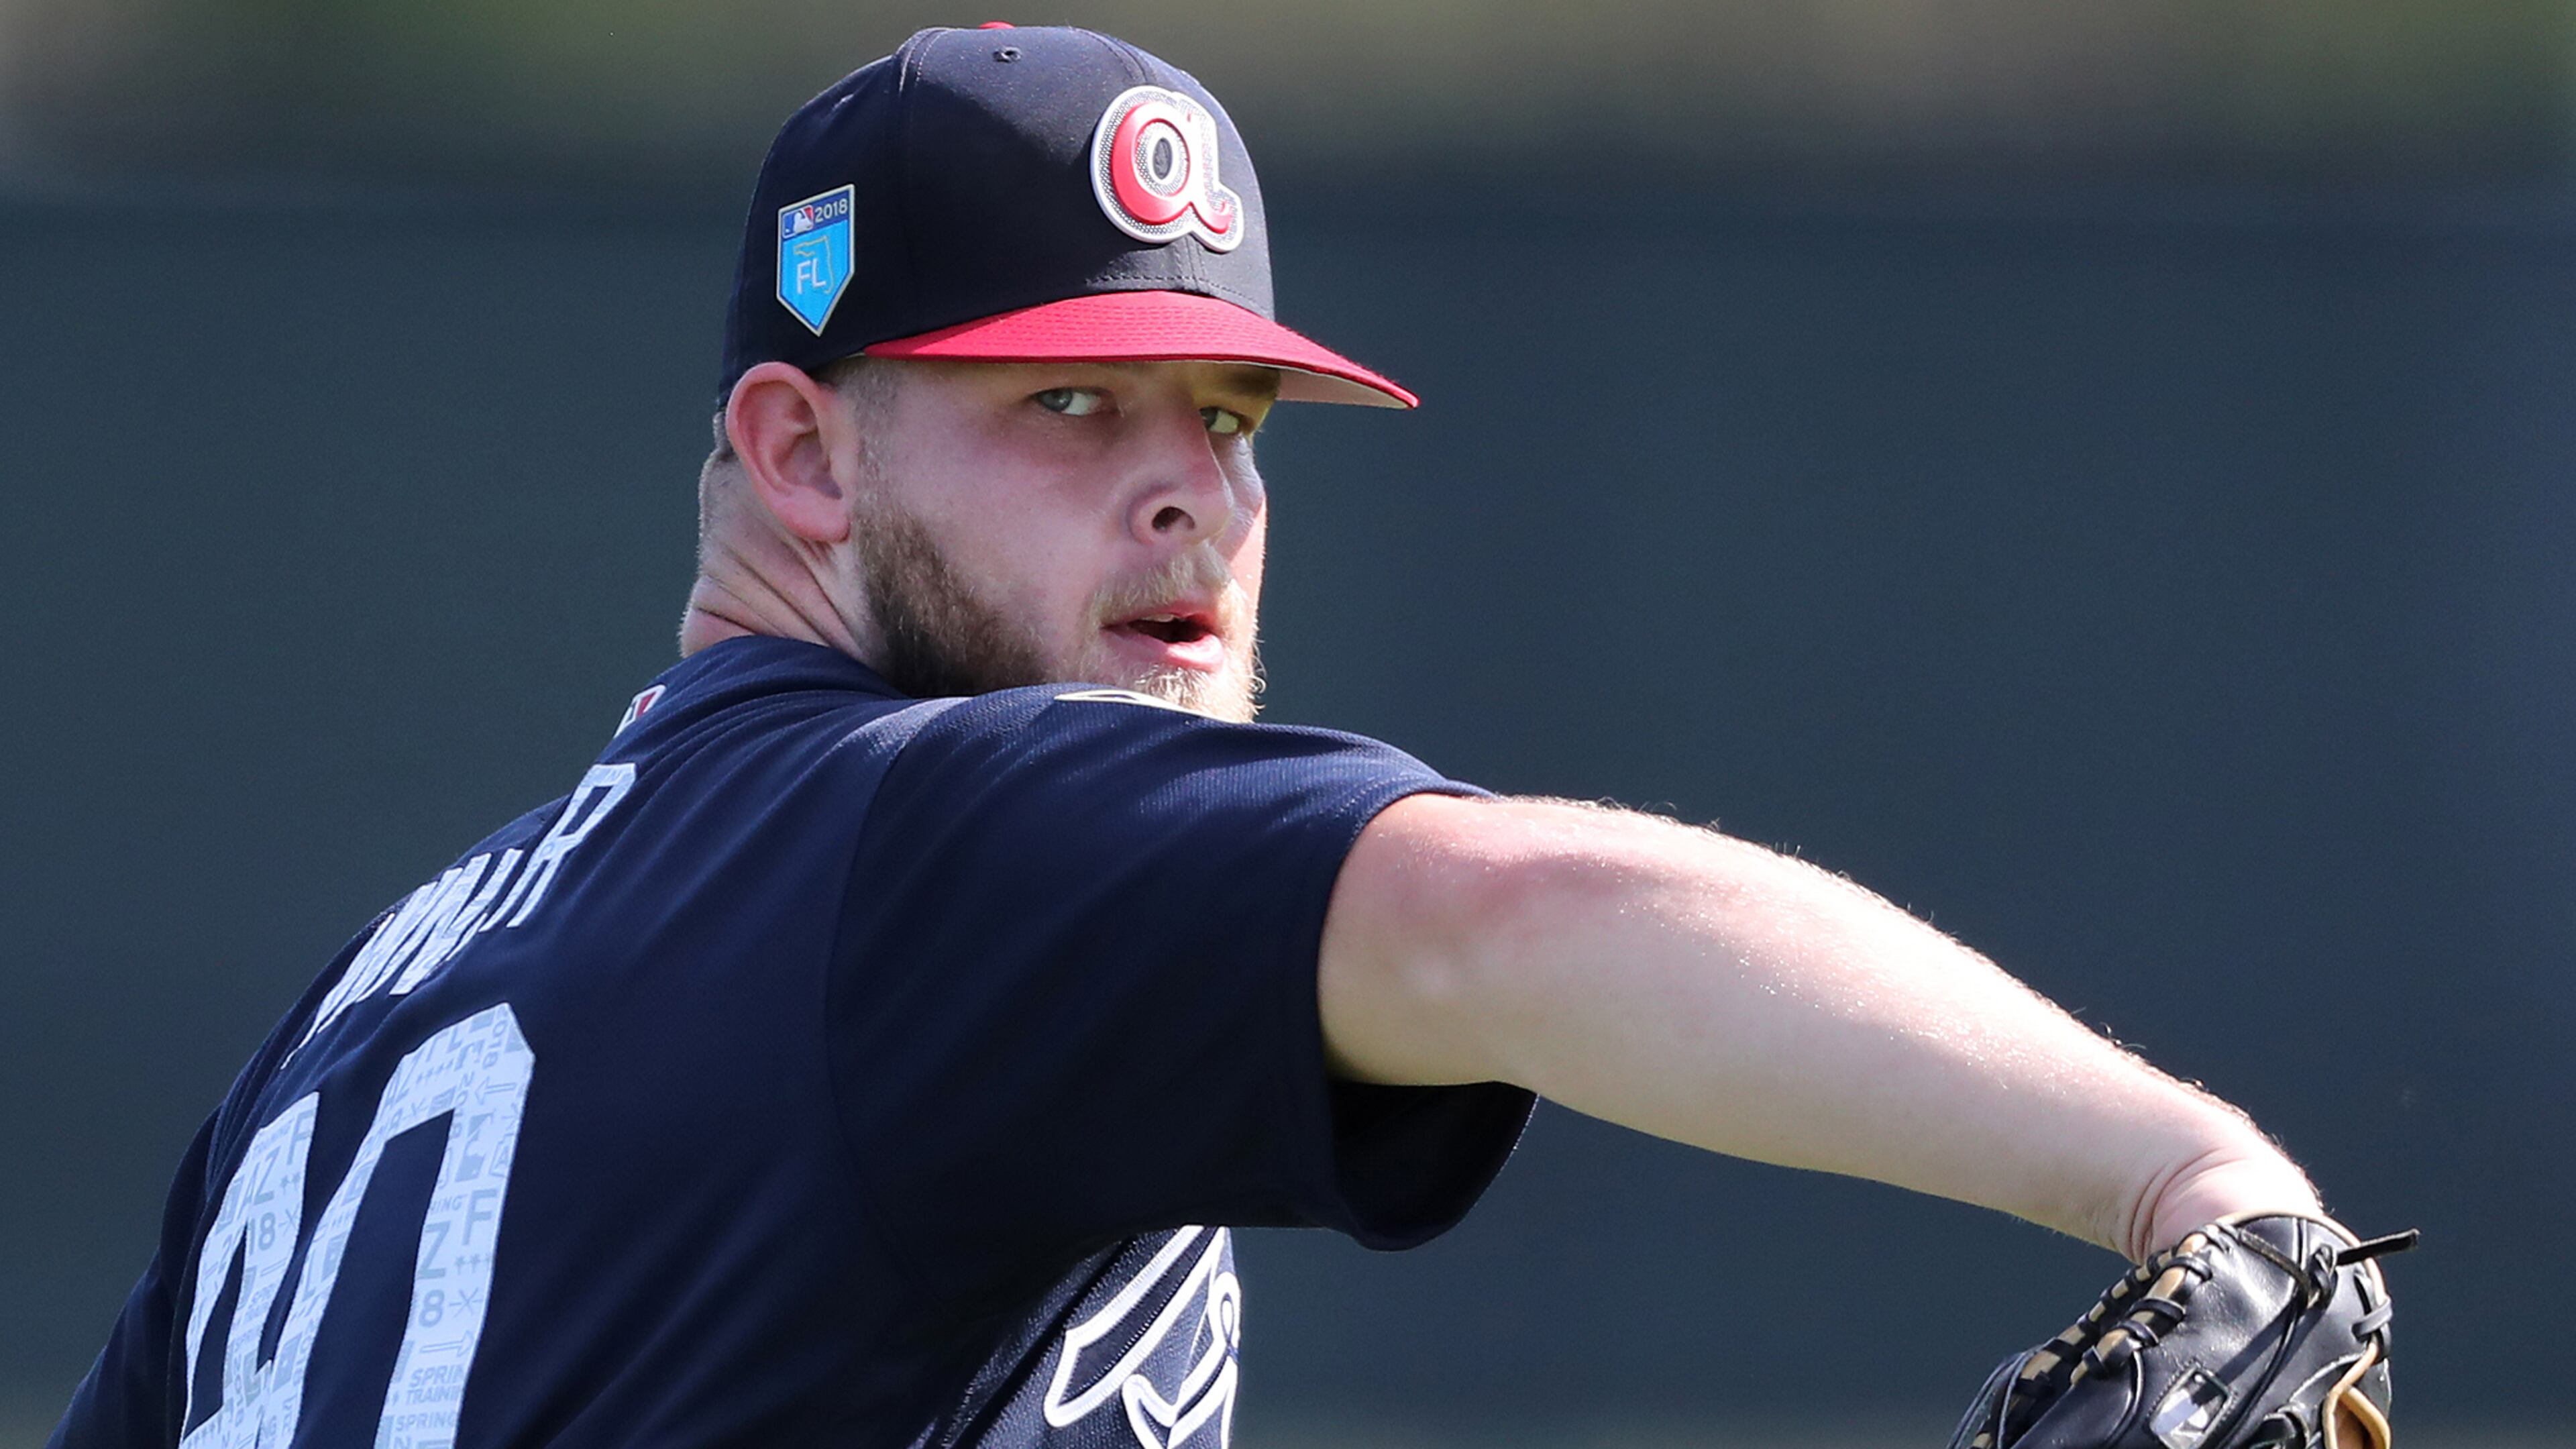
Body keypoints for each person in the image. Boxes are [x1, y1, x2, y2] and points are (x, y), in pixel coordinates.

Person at [54, 25, 2339, 1449]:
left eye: (1228, 412)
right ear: (805, 458)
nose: (1193, 487)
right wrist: (2191, 1184)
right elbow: (1505, 913)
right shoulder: (919, 833)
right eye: (1069, 405)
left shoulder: (356, 1027)